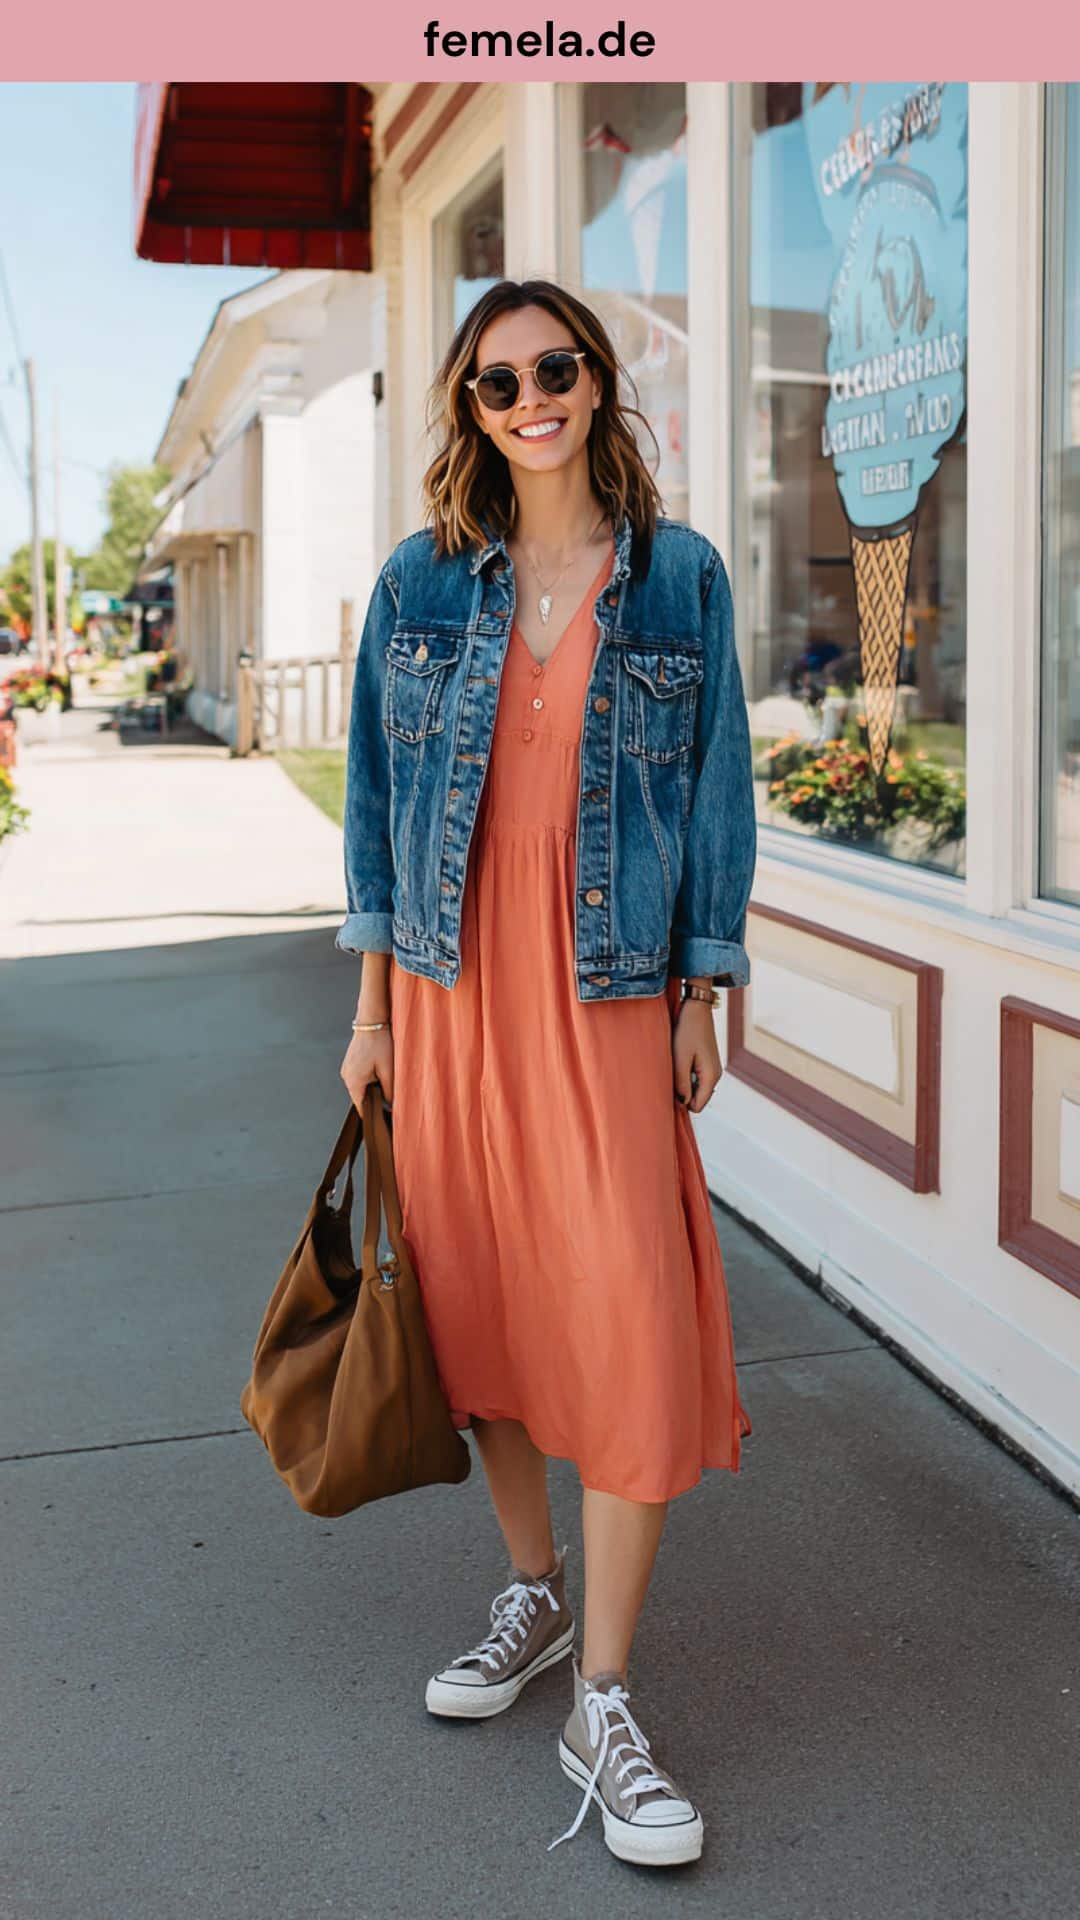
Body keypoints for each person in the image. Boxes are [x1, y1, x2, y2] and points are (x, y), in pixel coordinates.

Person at [337, 278, 757, 1869]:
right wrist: (375, 1007)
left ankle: (605, 1695)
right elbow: (378, 807)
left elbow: (717, 791)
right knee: (480, 1299)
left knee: (632, 1316)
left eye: (557, 368)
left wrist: (703, 982)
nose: (532, 397)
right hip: (447, 996)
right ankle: (533, 1586)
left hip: (603, 996)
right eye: (499, 380)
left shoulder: (683, 582)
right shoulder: (420, 582)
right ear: (470, 407)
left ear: (597, 383)